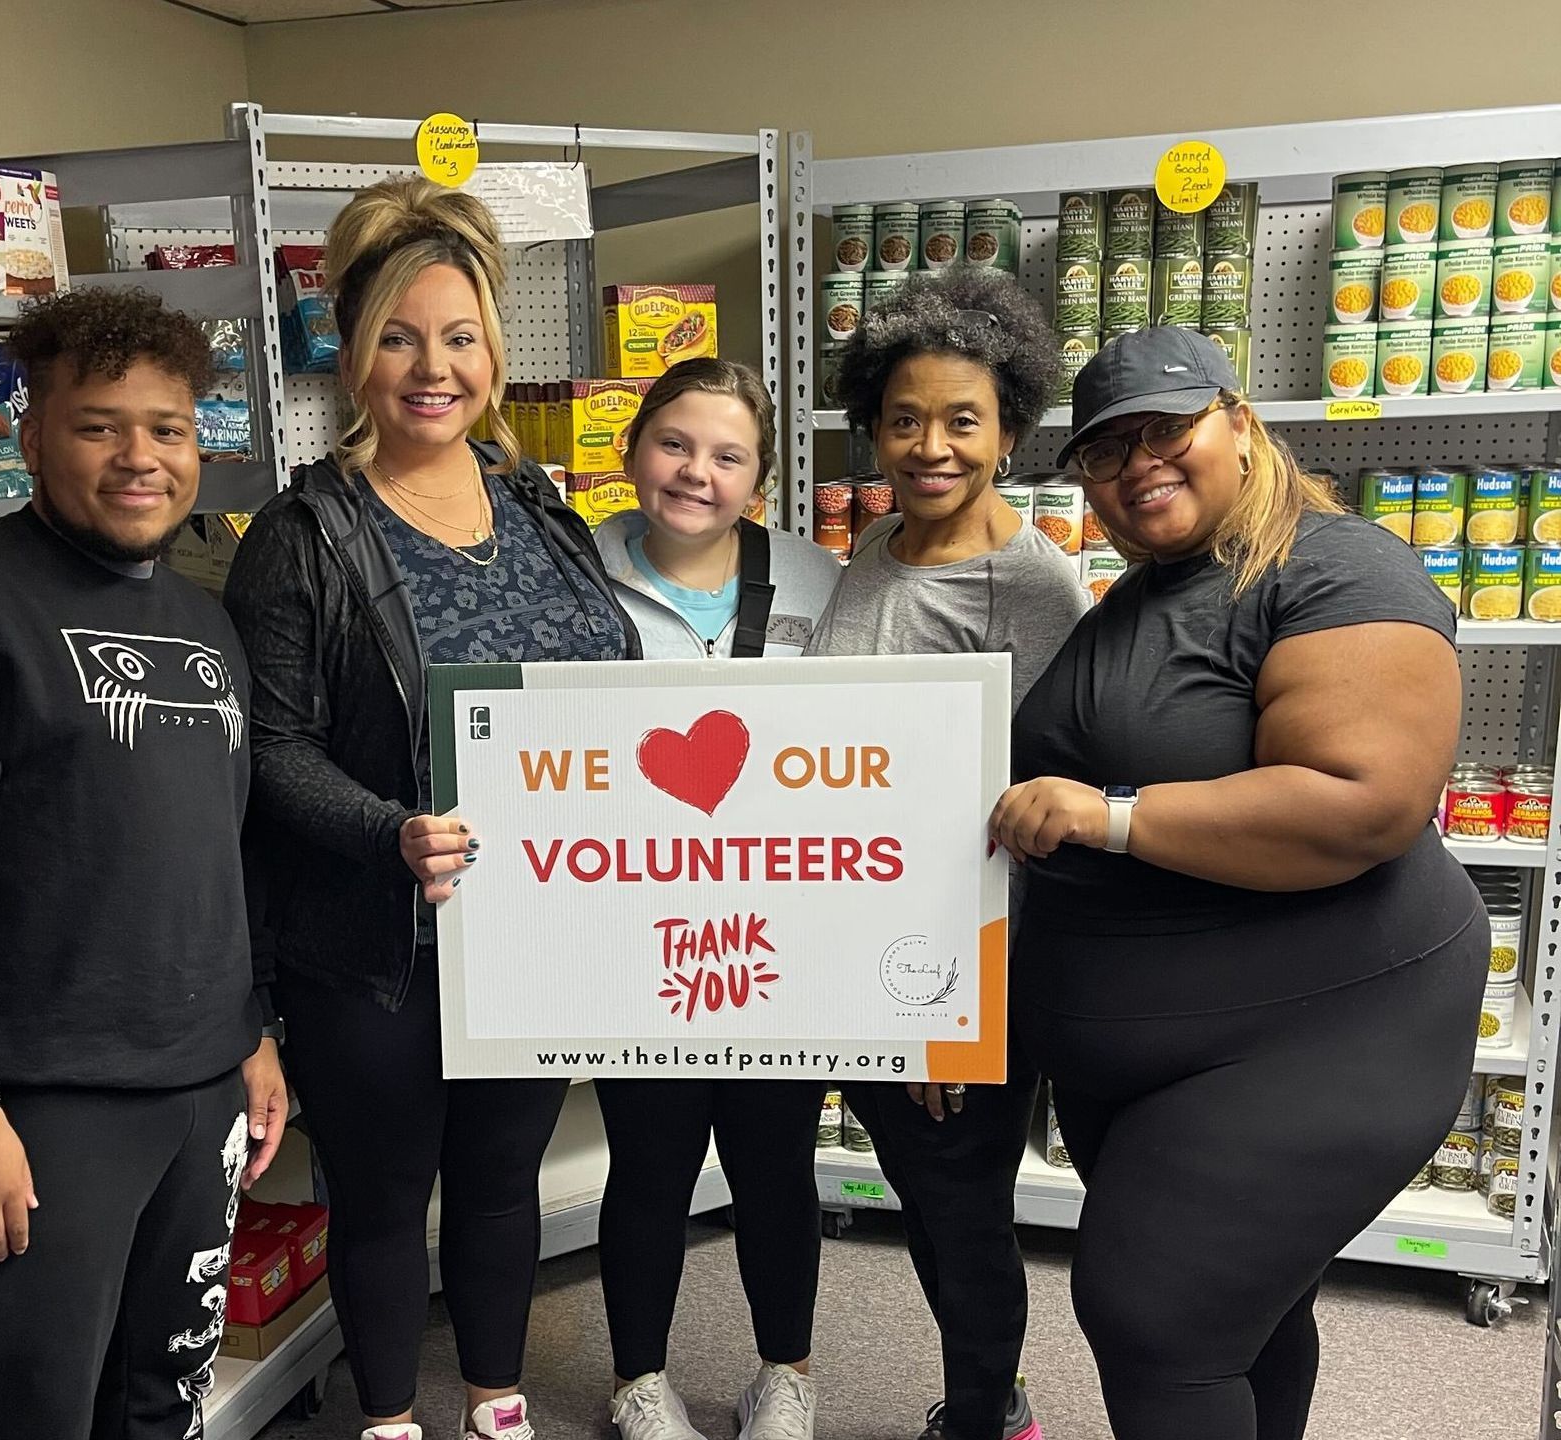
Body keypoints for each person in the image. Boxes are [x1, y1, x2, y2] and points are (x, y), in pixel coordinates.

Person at [993, 326, 1488, 1440]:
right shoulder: (1147, 592)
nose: (1137, 465)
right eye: (1105, 451)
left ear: (1241, 424)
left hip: (1322, 1028)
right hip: (1151, 1050)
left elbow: (1361, 800)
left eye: (1167, 429)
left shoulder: (1335, 564)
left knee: (1155, 1314)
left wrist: (1110, 818)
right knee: (1239, 1311)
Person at [0, 287, 288, 1440]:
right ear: (32, 438)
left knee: (161, 1405)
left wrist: (252, 1030)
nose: (141, 457)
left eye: (168, 429)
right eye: (99, 426)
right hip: (33, 1110)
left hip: (198, 1097)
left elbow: (218, 854)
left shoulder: (202, 620)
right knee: (31, 1417)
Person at [222, 176, 636, 1440]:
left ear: (494, 354)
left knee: (504, 1182)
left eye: (458, 338)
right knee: (388, 1191)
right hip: (377, 948)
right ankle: (394, 1415)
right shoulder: (304, 535)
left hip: (532, 933)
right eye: (398, 337)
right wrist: (388, 831)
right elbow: (273, 752)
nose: (431, 368)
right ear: (351, 355)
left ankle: (500, 1402)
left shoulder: (541, 513)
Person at [809, 265, 1085, 1440]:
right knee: (927, 1187)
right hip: (868, 944)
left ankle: (985, 1412)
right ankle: (991, 1392)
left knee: (961, 1196)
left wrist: (951, 1004)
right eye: (905, 418)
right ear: (872, 424)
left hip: (961, 965)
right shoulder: (874, 547)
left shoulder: (1037, 591)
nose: (931, 446)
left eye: (963, 421)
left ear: (1009, 429)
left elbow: (1031, 826)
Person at [589, 357, 841, 1440]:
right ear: (634, 448)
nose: (696, 473)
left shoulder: (822, 579)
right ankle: (640, 1382)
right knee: (648, 1159)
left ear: (761, 478)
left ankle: (786, 1373)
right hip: (627, 920)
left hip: (782, 926)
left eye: (728, 455)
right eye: (675, 444)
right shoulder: (568, 563)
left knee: (775, 1156)